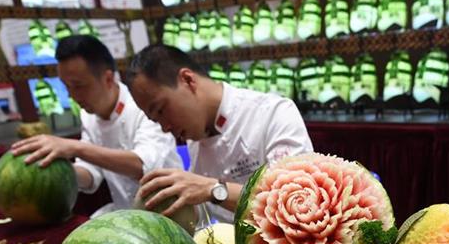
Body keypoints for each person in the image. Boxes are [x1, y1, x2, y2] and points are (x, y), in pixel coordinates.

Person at [126, 44, 313, 225]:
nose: (165, 127)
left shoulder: (273, 113)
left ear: (188, 80)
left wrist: (212, 189)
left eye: (161, 110)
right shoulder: (195, 142)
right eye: (155, 120)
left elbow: (298, 204)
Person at [11, 35, 181, 217]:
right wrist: (53, 171)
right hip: (130, 217)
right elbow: (91, 173)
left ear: (108, 78)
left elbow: (141, 166)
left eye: (78, 86)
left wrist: (74, 147)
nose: (72, 96)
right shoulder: (89, 115)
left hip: (172, 214)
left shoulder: (141, 106)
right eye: (66, 87)